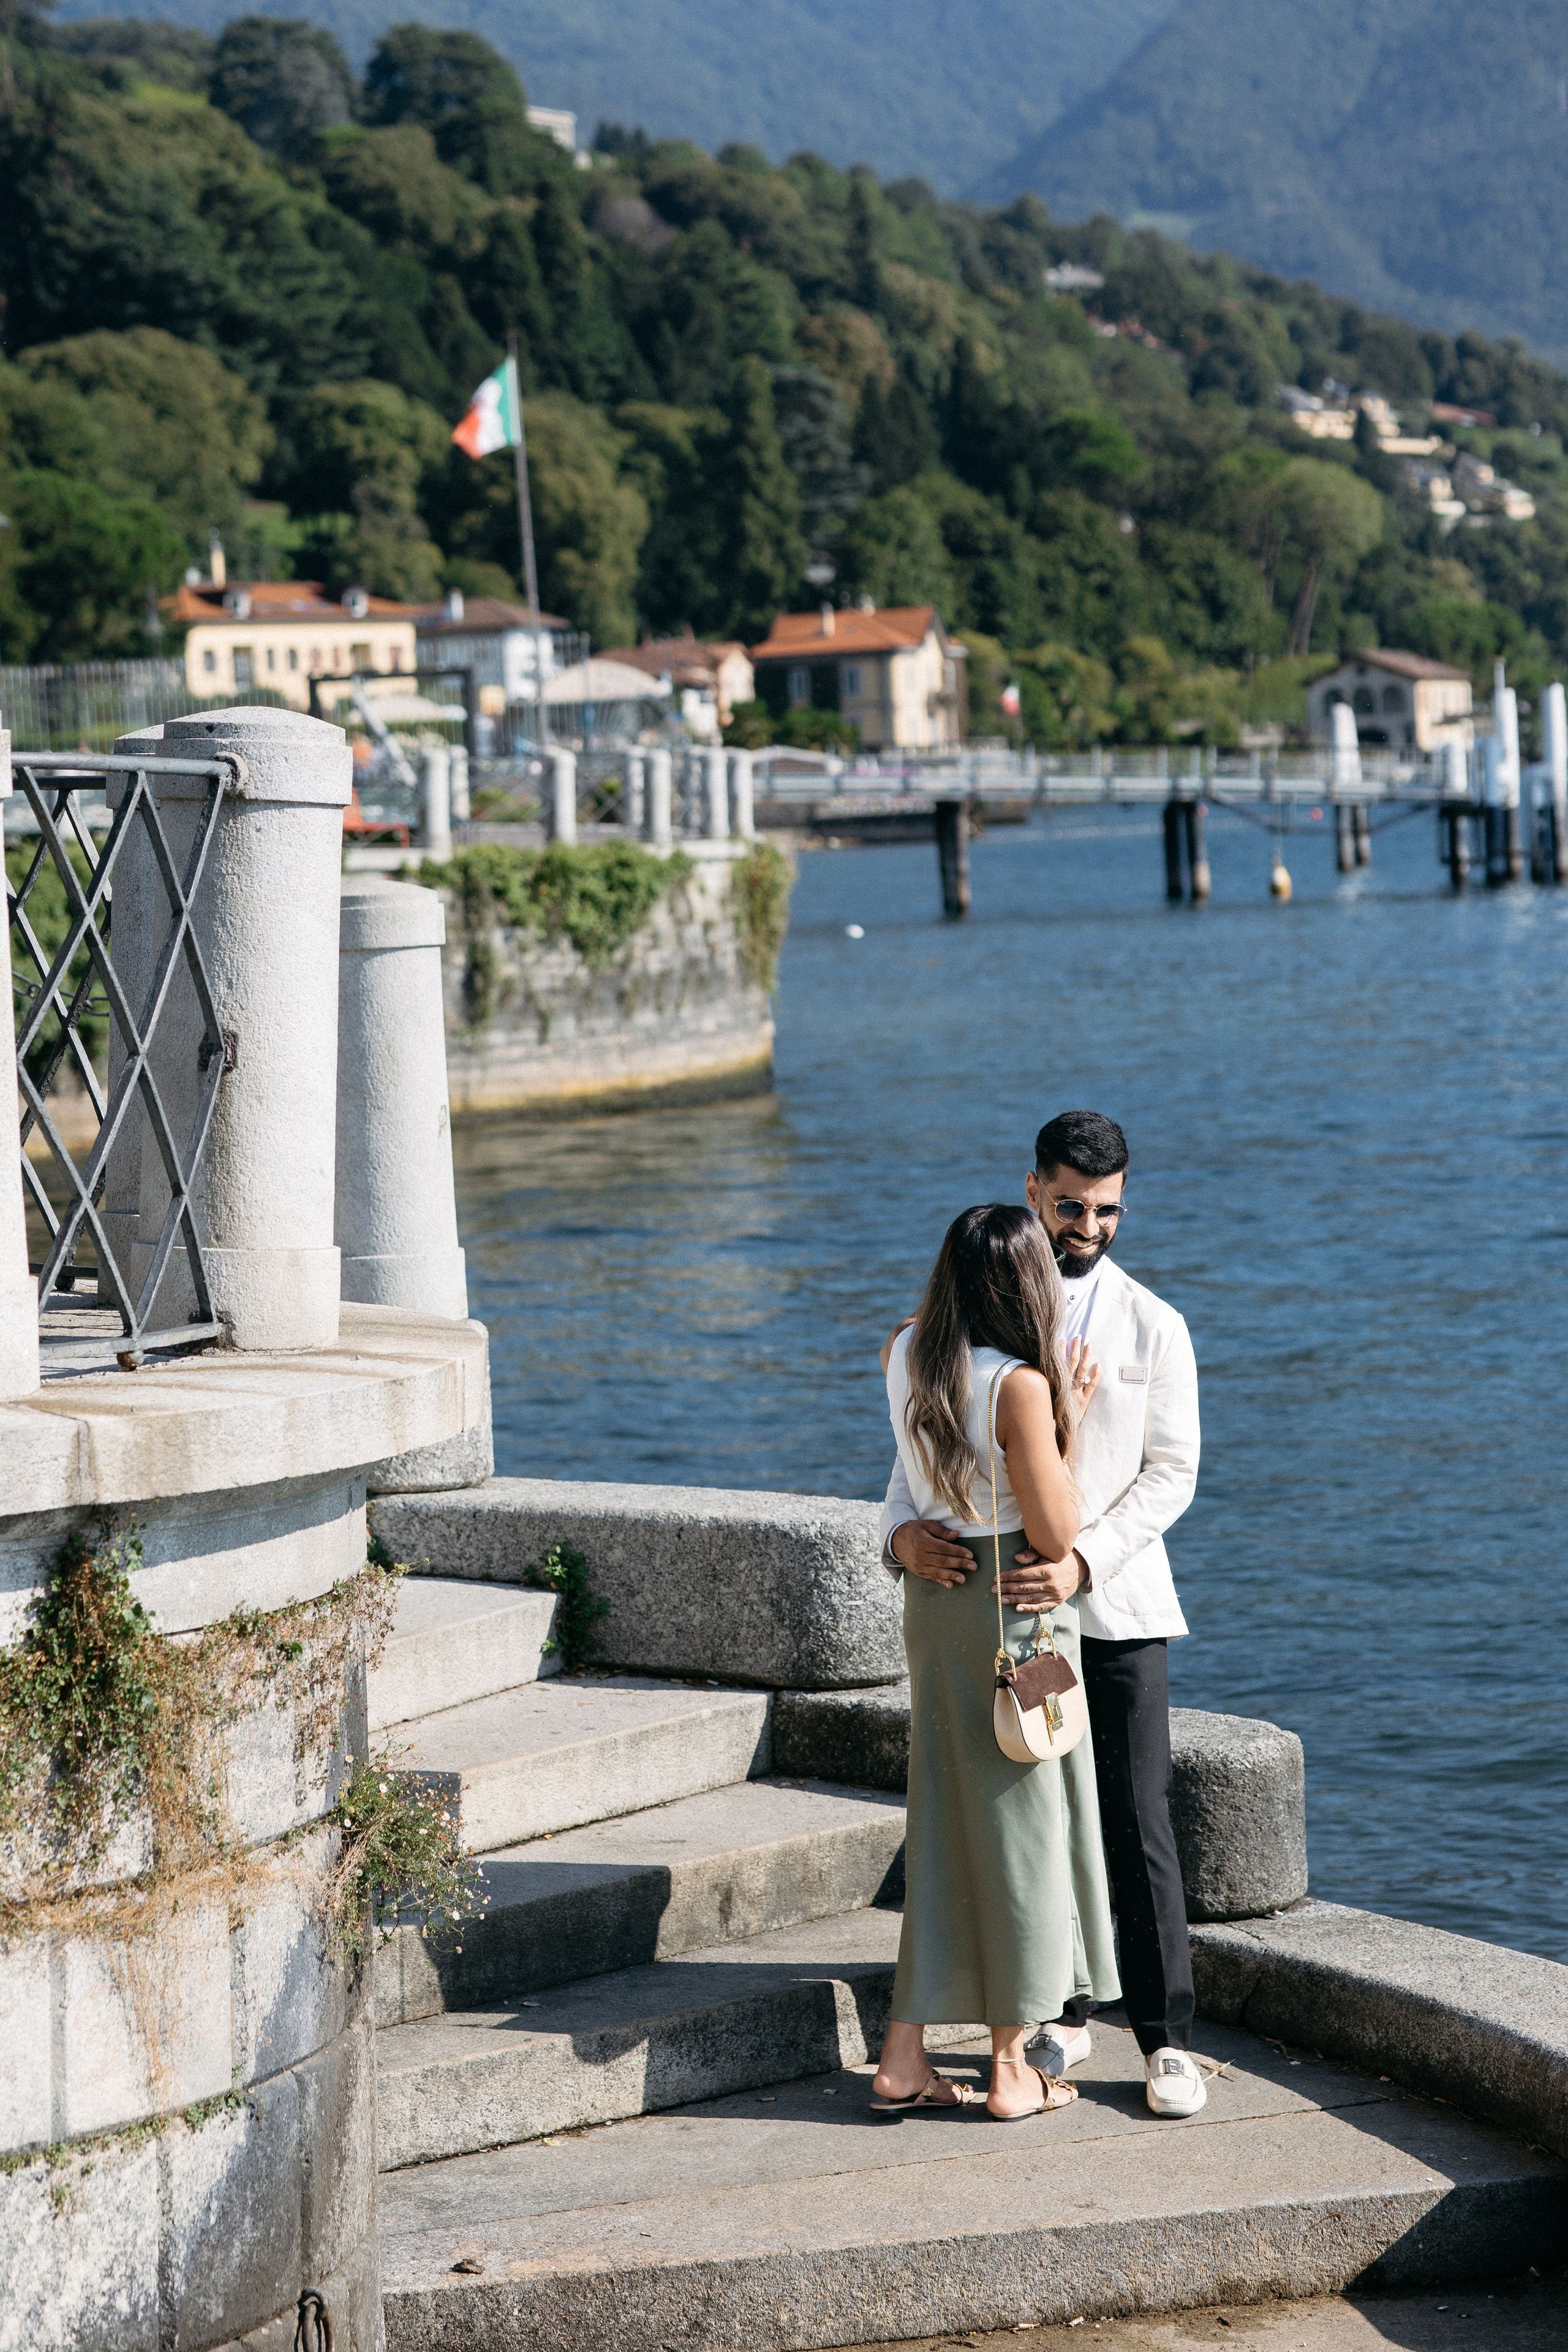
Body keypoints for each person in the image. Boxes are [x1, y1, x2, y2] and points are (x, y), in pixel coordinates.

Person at [881, 1110, 1206, 2119]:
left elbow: (1173, 1475)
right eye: (1071, 1205)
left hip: (1109, 1601)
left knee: (1136, 1817)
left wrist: (1083, 1567)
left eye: (1108, 1208)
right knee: (1038, 1821)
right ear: (1035, 1193)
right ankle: (1055, 2018)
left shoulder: (1156, 1325)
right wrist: (899, 1539)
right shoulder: (977, 1340)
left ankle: (1165, 2043)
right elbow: (908, 1472)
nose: (1090, 1224)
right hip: (1008, 1614)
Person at [869, 1204, 1120, 2122]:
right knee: (1020, 1828)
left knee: (944, 1819)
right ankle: (1013, 2070)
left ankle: (903, 2057)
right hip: (1011, 1607)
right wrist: (1066, 1420)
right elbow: (1056, 1530)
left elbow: (906, 1480)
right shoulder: (1017, 1386)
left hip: (936, 1605)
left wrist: (899, 1537)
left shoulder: (905, 1349)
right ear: (1026, 1285)